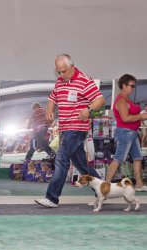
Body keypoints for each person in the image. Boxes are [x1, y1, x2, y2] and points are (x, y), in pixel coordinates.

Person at [35, 54, 105, 208]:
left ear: (72, 67)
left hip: (77, 128)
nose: (61, 75)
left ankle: (52, 197)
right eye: (58, 72)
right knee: (81, 165)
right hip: (65, 128)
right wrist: (49, 110)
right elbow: (52, 98)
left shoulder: (85, 81)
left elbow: (100, 100)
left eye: (64, 71)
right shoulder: (60, 82)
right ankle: (102, 191)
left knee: (61, 159)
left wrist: (89, 109)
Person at [105, 74, 147, 191]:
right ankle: (106, 186)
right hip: (125, 132)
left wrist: (140, 117)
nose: (133, 88)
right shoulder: (121, 100)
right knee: (118, 158)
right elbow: (125, 118)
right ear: (123, 85)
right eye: (131, 86)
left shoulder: (127, 99)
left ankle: (139, 184)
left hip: (132, 132)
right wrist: (141, 116)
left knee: (137, 157)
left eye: (134, 86)